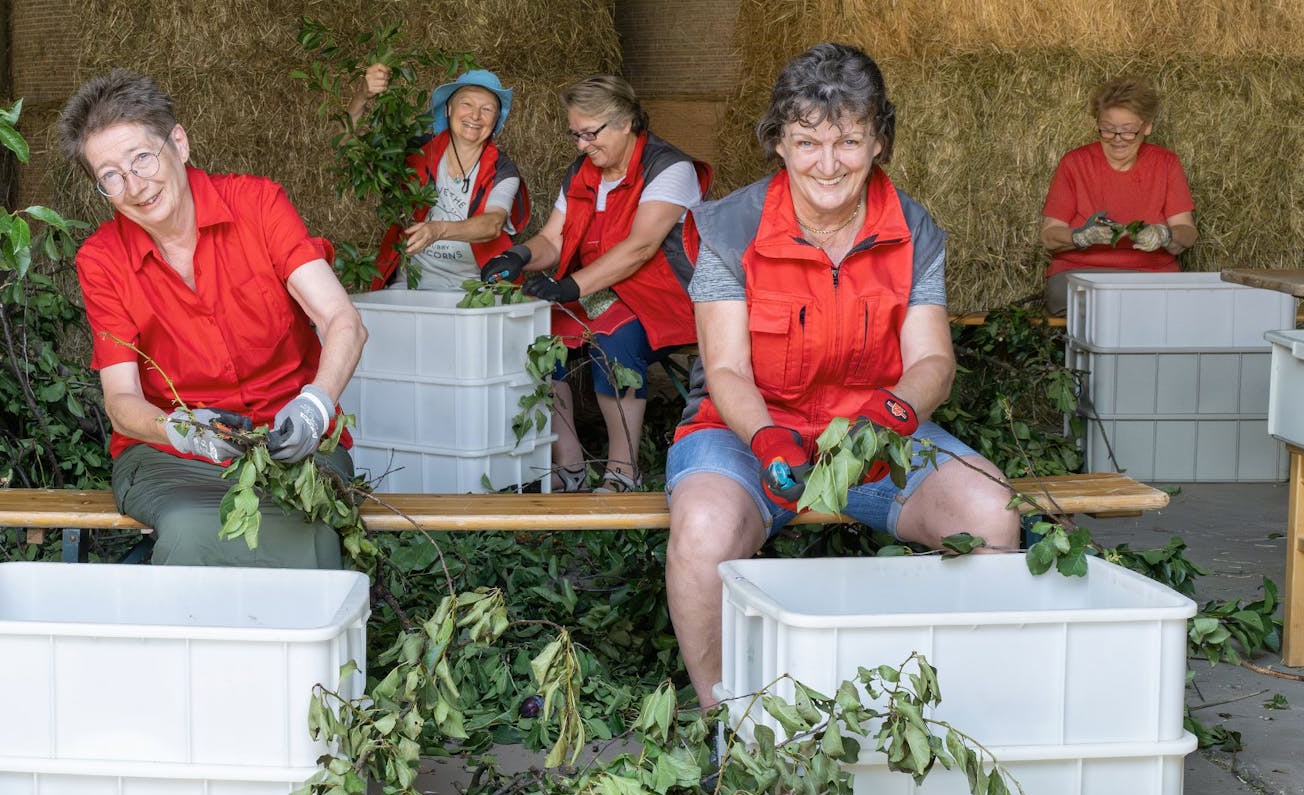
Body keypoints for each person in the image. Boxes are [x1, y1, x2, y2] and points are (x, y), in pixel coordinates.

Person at [663, 44, 1021, 709]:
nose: (828, 164)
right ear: (777, 142)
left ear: (879, 140)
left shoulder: (913, 230)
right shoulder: (726, 228)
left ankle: (952, 707)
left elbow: (931, 361)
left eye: (849, 141)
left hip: (873, 433)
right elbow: (727, 368)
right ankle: (722, 722)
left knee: (993, 512)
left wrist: (891, 420)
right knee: (704, 529)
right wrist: (767, 437)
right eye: (807, 142)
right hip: (747, 432)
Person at [59, 69, 367, 568]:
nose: (135, 186)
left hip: (293, 439)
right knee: (191, 521)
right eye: (111, 176)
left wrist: (316, 405)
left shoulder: (259, 204)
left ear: (178, 143)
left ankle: (304, 645)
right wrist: (182, 430)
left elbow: (343, 321)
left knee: (308, 518)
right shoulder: (103, 258)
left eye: (142, 157)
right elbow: (121, 401)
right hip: (170, 453)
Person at [480, 75, 710, 493]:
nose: (582, 145)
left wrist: (569, 287)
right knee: (536, 337)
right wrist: (518, 255)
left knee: (614, 343)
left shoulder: (669, 168)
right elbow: (554, 237)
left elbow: (640, 248)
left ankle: (623, 470)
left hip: (664, 295)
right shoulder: (582, 172)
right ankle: (570, 464)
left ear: (625, 122)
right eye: (576, 135)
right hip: (600, 290)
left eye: (590, 134)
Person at [347, 66, 530, 291]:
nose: (475, 116)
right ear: (448, 109)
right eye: (467, 104)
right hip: (409, 287)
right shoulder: (416, 151)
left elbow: (492, 224)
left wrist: (437, 230)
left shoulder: (503, 169)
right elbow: (346, 146)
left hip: (476, 288)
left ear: (495, 121)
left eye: (487, 109)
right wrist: (362, 97)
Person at [1039, 76, 1197, 311]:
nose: (1117, 139)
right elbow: (1049, 237)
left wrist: (1163, 235)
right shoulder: (1074, 163)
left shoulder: (1166, 163)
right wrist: (1081, 236)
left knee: (1173, 308)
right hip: (1082, 275)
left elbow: (1188, 234)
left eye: (1128, 131)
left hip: (1151, 274)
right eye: (1108, 130)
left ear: (1148, 126)